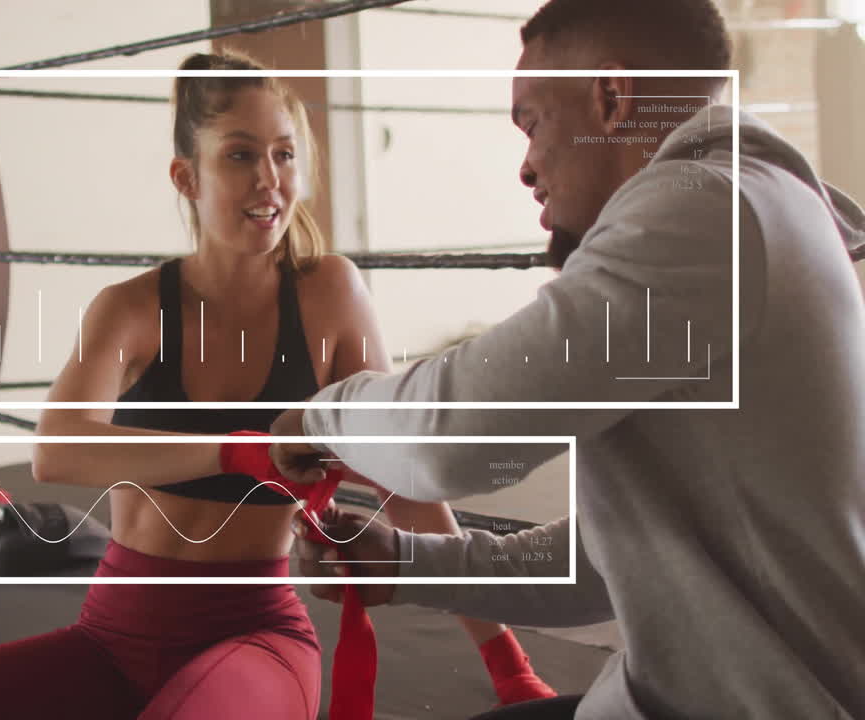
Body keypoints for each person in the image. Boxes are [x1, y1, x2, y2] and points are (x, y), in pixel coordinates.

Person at [0, 52, 551, 720]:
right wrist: (235, 454)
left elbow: (406, 478)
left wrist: (505, 659)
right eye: (240, 155)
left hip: (256, 638)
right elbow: (58, 451)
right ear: (187, 177)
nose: (268, 180)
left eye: (283, 153)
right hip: (110, 638)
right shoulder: (131, 307)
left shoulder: (330, 294)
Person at [270, 1, 865, 719]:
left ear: (611, 98)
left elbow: (449, 433)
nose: (525, 167)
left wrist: (318, 416)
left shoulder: (704, 210)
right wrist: (403, 561)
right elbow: (613, 564)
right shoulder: (745, 205)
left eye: (533, 123)